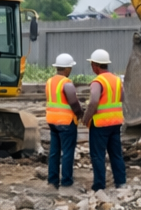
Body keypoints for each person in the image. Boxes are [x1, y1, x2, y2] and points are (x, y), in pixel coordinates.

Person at [82, 48, 126, 193]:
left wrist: (86, 117)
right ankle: (120, 183)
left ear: (95, 65)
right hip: (115, 123)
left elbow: (93, 101)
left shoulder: (98, 81)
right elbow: (123, 98)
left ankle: (99, 186)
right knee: (116, 154)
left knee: (98, 155)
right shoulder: (117, 80)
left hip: (100, 124)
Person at [45, 53, 82, 190]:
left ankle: (52, 181)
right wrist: (80, 114)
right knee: (67, 152)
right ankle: (66, 182)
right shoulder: (66, 83)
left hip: (52, 121)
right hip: (66, 122)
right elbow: (73, 102)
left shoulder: (50, 82)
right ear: (67, 69)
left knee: (54, 152)